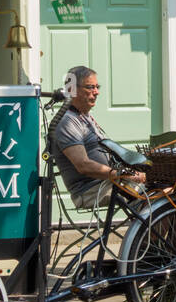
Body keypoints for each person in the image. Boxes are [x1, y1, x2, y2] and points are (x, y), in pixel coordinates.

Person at [51, 66, 143, 210]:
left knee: (165, 185)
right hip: (91, 190)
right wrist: (123, 175)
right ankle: (145, 230)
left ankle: (147, 230)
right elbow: (83, 165)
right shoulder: (67, 122)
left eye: (97, 87)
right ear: (71, 90)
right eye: (90, 87)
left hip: (107, 182)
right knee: (156, 193)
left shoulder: (83, 116)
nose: (97, 92)